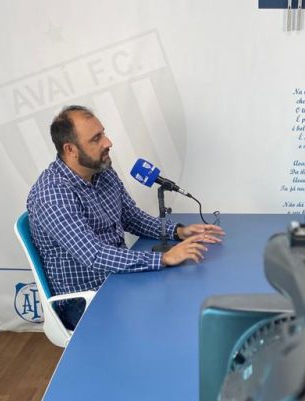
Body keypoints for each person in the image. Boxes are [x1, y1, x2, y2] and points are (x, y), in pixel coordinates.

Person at [27, 105, 225, 329]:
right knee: (169, 317)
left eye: (103, 133)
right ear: (71, 149)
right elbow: (94, 255)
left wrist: (178, 231)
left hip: (118, 278)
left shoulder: (102, 171)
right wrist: (163, 259)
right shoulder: (52, 194)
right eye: (96, 138)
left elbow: (132, 217)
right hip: (86, 300)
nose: (108, 142)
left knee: (189, 295)